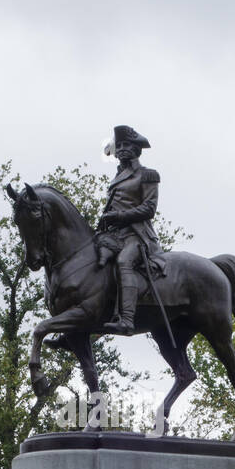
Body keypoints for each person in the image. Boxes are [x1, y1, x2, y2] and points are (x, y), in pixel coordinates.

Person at [96, 125, 161, 334]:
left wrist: (119, 216)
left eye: (127, 145)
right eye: (120, 145)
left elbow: (149, 208)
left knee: (124, 262)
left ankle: (127, 320)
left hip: (138, 235)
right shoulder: (117, 177)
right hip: (115, 235)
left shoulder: (147, 175)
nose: (122, 149)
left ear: (136, 149)